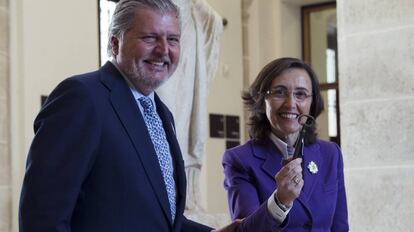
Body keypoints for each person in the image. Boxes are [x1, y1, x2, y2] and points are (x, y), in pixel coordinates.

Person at [19, 0, 239, 231]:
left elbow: (164, 220)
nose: (164, 50)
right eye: (150, 38)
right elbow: (43, 217)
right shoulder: (81, 98)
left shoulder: (162, 115)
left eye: (172, 39)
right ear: (115, 43)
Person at [222, 57, 349, 231]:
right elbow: (245, 230)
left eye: (301, 94)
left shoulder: (330, 153)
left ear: (312, 103)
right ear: (262, 100)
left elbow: (340, 227)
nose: (290, 103)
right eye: (280, 92)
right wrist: (280, 202)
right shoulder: (240, 160)